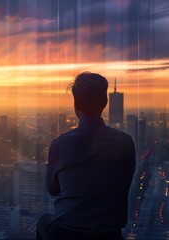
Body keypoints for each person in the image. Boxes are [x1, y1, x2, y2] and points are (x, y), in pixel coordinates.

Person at [36, 72, 136, 240]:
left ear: (76, 104)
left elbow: (53, 189)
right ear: (105, 102)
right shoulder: (125, 142)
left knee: (43, 222)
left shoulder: (61, 144)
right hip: (109, 235)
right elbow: (124, 184)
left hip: (67, 233)